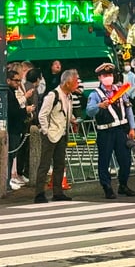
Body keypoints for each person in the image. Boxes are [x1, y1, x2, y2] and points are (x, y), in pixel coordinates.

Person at [86, 63, 135, 199]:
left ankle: (123, 184)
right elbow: (89, 111)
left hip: (121, 130)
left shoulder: (120, 91)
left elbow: (128, 109)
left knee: (125, 159)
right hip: (105, 131)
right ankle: (107, 187)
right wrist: (99, 105)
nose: (108, 77)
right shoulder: (95, 94)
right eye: (105, 75)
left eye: (110, 75)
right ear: (100, 78)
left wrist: (132, 127)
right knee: (104, 160)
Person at [33, 68, 80, 203]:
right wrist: (46, 131)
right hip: (51, 135)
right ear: (67, 83)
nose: (77, 84)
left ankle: (57, 192)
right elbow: (42, 114)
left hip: (62, 134)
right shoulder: (53, 95)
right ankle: (39, 193)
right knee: (45, 164)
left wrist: (72, 120)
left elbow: (67, 113)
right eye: (75, 82)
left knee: (60, 164)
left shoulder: (68, 96)